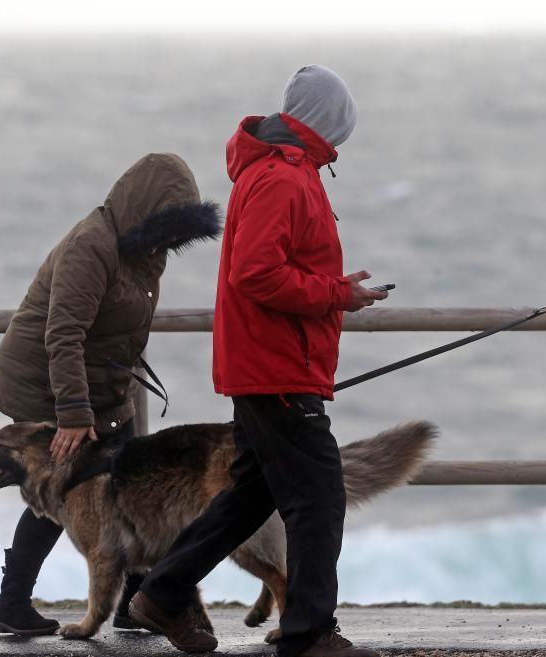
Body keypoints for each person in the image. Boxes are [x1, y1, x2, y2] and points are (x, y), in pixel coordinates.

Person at [129, 65, 386, 656]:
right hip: (277, 368)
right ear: (331, 121)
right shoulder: (284, 178)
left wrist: (335, 286)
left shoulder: (282, 170)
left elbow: (270, 266)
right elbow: (256, 273)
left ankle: (162, 593)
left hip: (270, 363)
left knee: (250, 494)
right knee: (319, 499)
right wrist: (337, 295)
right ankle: (309, 632)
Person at [0, 153, 222, 635]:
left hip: (99, 383)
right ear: (144, 211)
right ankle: (11, 605)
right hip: (48, 385)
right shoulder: (91, 247)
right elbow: (64, 333)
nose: (172, 241)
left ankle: (135, 603)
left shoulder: (145, 249)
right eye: (167, 227)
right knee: (61, 488)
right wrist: (73, 413)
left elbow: (119, 323)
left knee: (126, 481)